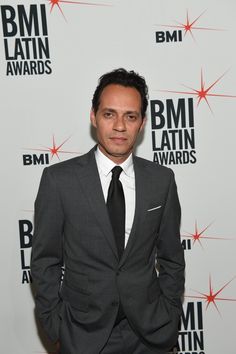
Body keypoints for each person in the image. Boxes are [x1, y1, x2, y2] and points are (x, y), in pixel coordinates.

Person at [31, 68, 185, 354]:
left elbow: (172, 258)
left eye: (131, 116)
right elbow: (44, 262)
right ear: (93, 116)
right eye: (109, 114)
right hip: (83, 336)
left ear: (142, 123)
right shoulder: (59, 181)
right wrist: (56, 326)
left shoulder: (161, 180)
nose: (119, 126)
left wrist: (170, 314)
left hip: (150, 335)